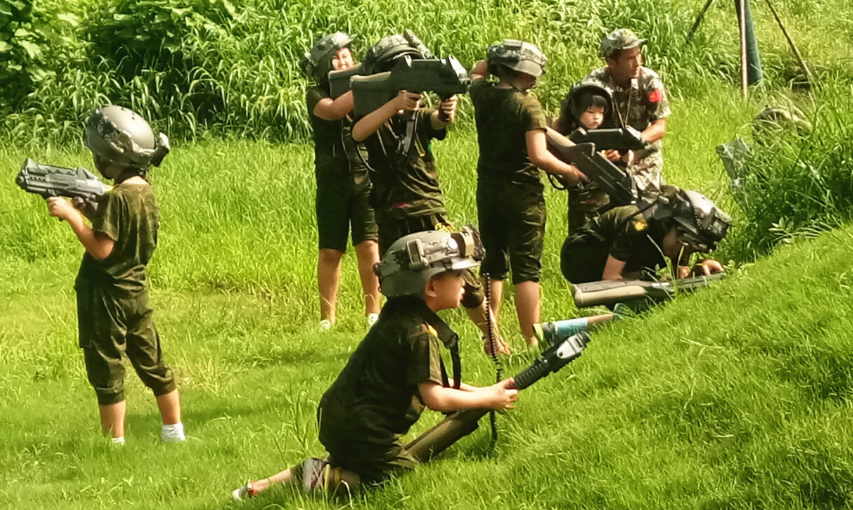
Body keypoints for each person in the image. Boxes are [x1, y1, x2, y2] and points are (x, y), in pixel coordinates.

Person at [231, 228, 518, 500]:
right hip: (363, 429)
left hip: (340, 418)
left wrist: (482, 392)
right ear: (431, 286)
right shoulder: (419, 333)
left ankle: (266, 485)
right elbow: (435, 396)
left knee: (359, 460)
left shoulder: (397, 316)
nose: (466, 283)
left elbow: (430, 382)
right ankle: (322, 477)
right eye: (457, 274)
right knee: (399, 477)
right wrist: (489, 397)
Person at [351, 31, 509, 355]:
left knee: (462, 270)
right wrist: (395, 103)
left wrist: (446, 110)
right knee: (398, 285)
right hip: (394, 214)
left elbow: (436, 122)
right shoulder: (376, 116)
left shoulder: (415, 118)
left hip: (428, 208)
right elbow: (358, 131)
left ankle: (490, 336)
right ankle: (402, 347)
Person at [45, 105, 184, 444]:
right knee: (153, 363)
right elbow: (124, 235)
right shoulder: (143, 192)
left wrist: (72, 216)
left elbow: (102, 249)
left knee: (107, 368)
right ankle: (173, 432)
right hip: (135, 290)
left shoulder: (117, 197)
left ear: (110, 156)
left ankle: (114, 443)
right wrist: (91, 207)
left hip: (106, 296)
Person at [468, 40, 586, 347]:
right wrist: (569, 171)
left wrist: (493, 62)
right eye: (530, 73)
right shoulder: (527, 105)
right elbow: (538, 155)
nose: (533, 80)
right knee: (527, 270)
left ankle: (491, 336)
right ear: (519, 72)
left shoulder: (481, 94)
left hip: (489, 190)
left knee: (493, 262)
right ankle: (531, 340)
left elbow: (476, 72)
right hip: (522, 194)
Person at [300, 32, 381, 330]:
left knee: (369, 245)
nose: (343, 59)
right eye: (335, 56)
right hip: (331, 180)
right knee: (330, 251)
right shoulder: (315, 93)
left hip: (364, 176)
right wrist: (367, 83)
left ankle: (373, 313)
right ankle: (327, 318)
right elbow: (333, 111)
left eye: (346, 54)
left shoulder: (364, 88)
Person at [560, 186, 730, 284]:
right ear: (678, 232)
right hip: (580, 255)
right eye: (687, 248)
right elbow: (610, 278)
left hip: (615, 258)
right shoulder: (638, 224)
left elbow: (680, 280)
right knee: (646, 294)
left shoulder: (673, 235)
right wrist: (651, 283)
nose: (686, 255)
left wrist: (699, 273)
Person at [581, 28, 671, 192]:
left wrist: (630, 150)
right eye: (630, 58)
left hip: (643, 158)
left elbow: (659, 127)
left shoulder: (649, 81)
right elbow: (576, 124)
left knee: (644, 210)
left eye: (638, 54)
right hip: (604, 158)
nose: (638, 62)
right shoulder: (593, 84)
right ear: (611, 62)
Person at [552, 82, 624, 234]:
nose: (596, 117)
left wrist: (618, 155)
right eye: (591, 112)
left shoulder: (610, 137)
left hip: (606, 200)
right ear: (576, 112)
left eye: (601, 112)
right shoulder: (570, 140)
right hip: (581, 202)